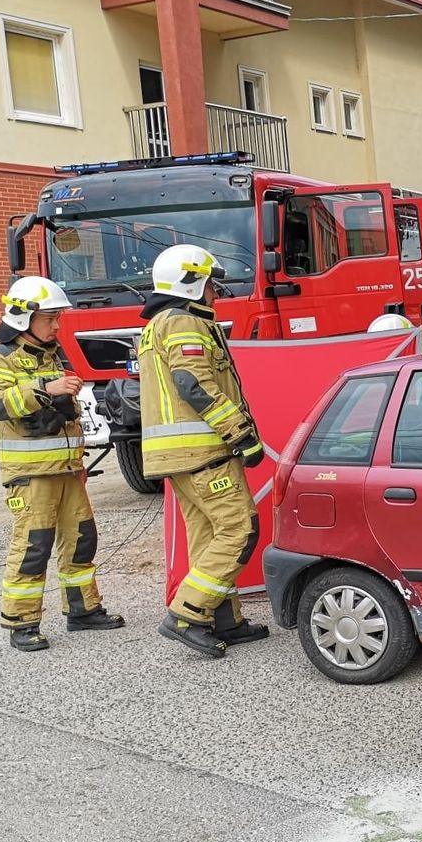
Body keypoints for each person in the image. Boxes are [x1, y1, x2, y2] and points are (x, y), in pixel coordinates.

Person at [0, 276, 125, 651]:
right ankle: (21, 622)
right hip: (31, 477)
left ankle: (82, 611)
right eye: (50, 318)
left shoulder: (53, 355)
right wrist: (45, 389)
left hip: (66, 470)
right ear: (23, 318)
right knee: (33, 546)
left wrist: (77, 461)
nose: (57, 325)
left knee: (81, 540)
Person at [137, 244, 269, 658]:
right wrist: (241, 433)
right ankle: (188, 614)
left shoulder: (159, 324)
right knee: (239, 529)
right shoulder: (182, 323)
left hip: (179, 456)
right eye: (211, 284)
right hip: (203, 451)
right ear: (192, 283)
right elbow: (194, 385)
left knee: (209, 534)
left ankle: (223, 618)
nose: (216, 292)